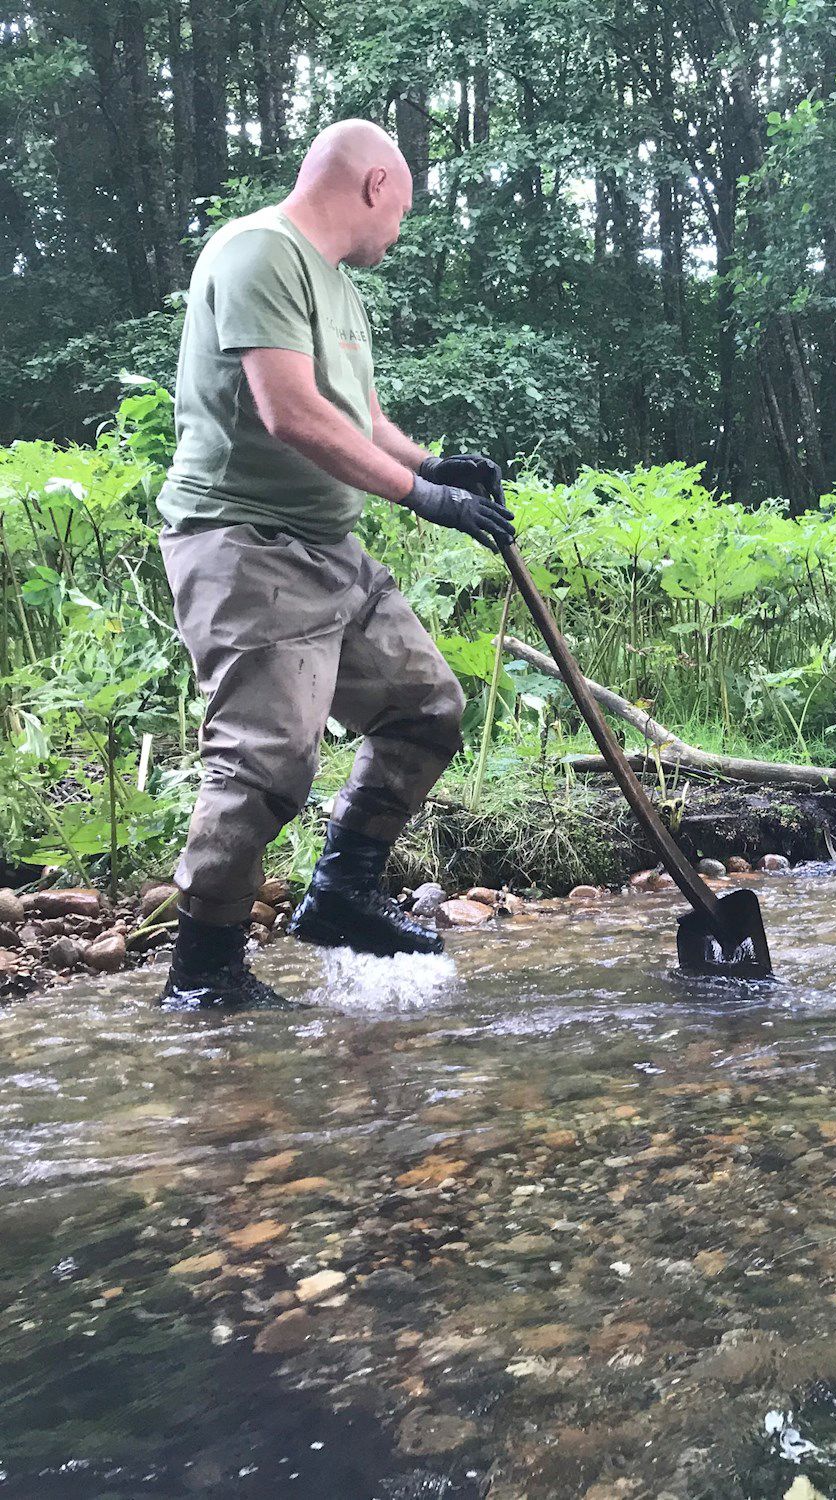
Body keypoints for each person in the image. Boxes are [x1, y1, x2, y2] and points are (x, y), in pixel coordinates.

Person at [154, 119, 516, 1010]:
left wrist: (434, 464)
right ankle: (204, 975)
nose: (401, 229)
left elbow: (361, 419)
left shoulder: (339, 287)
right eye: (405, 209)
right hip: (247, 547)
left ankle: (342, 894)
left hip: (328, 550)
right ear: (375, 184)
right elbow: (289, 412)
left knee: (426, 708)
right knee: (265, 763)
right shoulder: (258, 252)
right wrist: (420, 498)